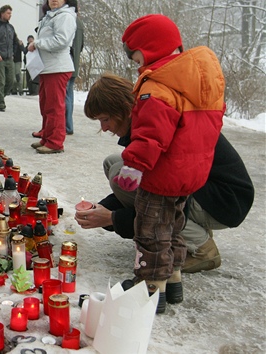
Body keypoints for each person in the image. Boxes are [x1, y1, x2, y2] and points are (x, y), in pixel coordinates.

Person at [88, 15, 225, 314]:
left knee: (150, 232)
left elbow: (151, 136)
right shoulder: (198, 84)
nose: (137, 64)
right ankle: (172, 280)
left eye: (137, 56)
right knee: (173, 229)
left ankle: (149, 288)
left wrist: (133, 168)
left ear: (150, 49)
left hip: (161, 176)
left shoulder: (158, 87)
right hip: (188, 177)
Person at [80, 73, 254, 276]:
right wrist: (102, 208)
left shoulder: (157, 127)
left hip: (224, 202)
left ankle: (200, 246)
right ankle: (189, 231)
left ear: (125, 110)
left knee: (122, 175)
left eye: (106, 119)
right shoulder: (147, 117)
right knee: (115, 164)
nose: (104, 128)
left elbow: (164, 198)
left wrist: (113, 218)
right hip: (205, 190)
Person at [27, 0, 76, 154]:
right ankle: (47, 137)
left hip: (58, 67)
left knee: (55, 107)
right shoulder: (50, 16)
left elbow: (61, 41)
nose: (54, 0)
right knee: (46, 105)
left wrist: (37, 43)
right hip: (47, 68)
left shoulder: (65, 16)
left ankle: (55, 142)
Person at [64, 0, 84, 135]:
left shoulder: (68, 21)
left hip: (66, 64)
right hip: (74, 64)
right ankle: (69, 126)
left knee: (64, 96)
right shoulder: (80, 23)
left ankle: (66, 126)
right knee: (69, 95)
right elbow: (81, 45)